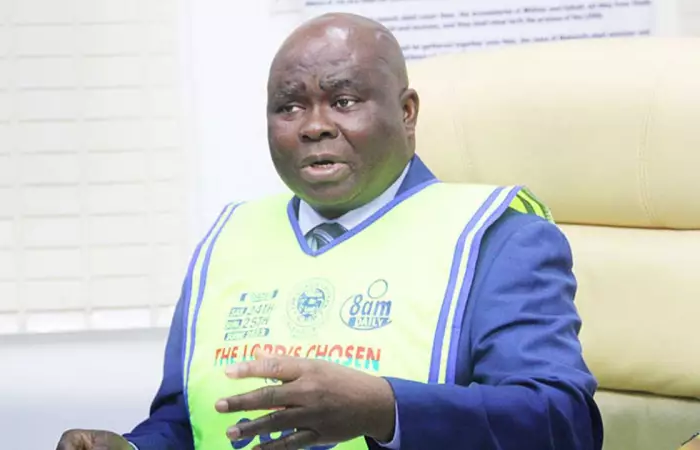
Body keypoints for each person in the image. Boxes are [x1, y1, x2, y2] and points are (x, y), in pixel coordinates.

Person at [56, 12, 603, 450]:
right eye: (289, 106)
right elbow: (186, 420)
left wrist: (384, 409)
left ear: (406, 113)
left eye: (344, 101)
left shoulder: (496, 238)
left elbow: (564, 425)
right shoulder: (230, 238)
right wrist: (133, 447)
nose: (315, 126)